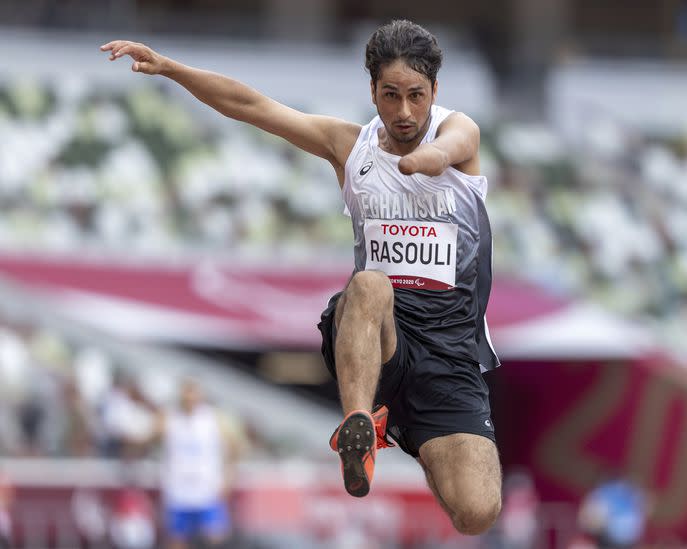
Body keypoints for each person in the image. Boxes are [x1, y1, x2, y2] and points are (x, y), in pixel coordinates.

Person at [101, 18, 502, 535]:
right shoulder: (348, 147)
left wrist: (423, 161)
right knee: (369, 283)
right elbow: (253, 106)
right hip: (376, 338)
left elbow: (450, 147)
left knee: (476, 512)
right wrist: (171, 68)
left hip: (448, 354)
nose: (404, 111)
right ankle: (360, 424)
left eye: (416, 96)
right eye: (390, 95)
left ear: (435, 92)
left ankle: (411, 434)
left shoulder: (459, 132)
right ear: (372, 91)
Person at [140, 380, 239, 549]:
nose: (190, 399)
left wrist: (228, 477)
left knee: (216, 539)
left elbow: (234, 448)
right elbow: (148, 438)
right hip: (178, 491)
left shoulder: (213, 418)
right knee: (177, 540)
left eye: (193, 394)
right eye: (186, 394)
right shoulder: (169, 418)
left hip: (208, 490)